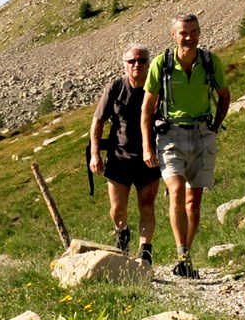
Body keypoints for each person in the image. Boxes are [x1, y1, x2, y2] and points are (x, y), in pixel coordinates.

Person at [141, 14, 231, 278]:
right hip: (171, 136)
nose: (189, 37)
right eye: (184, 33)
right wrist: (147, 146)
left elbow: (224, 95)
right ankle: (181, 251)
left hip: (203, 133)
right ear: (173, 35)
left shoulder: (210, 62)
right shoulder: (162, 64)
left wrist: (216, 124)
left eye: (194, 32)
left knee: (194, 202)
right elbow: (147, 108)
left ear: (199, 33)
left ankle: (186, 258)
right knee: (177, 189)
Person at [90, 44, 161, 265]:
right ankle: (122, 233)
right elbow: (98, 121)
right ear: (125, 65)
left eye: (141, 61)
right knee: (117, 208)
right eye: (132, 61)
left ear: (148, 64)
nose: (136, 65)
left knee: (147, 205)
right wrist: (95, 154)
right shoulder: (115, 87)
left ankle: (145, 252)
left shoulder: (157, 88)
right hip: (119, 158)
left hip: (149, 158)